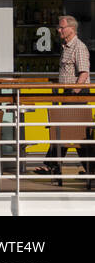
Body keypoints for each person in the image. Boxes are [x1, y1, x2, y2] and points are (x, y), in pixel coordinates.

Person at [38, 15, 91, 175]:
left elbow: (83, 73)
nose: (58, 30)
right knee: (71, 133)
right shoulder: (66, 47)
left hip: (76, 95)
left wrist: (72, 95)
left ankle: (52, 165)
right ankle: (91, 169)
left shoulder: (78, 47)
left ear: (71, 29)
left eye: (61, 27)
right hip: (69, 95)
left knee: (67, 132)